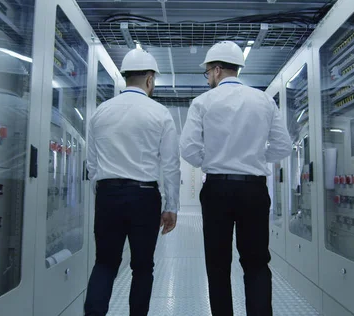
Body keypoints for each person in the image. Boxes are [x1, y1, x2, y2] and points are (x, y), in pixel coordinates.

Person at [180, 41, 293, 316]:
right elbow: (283, 147)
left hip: (217, 189)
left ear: (217, 70)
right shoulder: (263, 99)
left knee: (217, 264)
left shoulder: (203, 102)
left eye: (207, 73)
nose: (208, 78)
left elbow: (188, 149)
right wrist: (253, 158)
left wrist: (216, 161)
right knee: (256, 263)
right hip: (254, 189)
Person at [84, 49, 181, 316]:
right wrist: (171, 206)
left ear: (125, 76)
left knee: (104, 263)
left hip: (108, 195)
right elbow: (170, 164)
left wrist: (104, 191)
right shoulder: (160, 113)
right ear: (150, 79)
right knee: (142, 267)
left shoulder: (101, 112)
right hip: (144, 198)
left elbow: (91, 163)